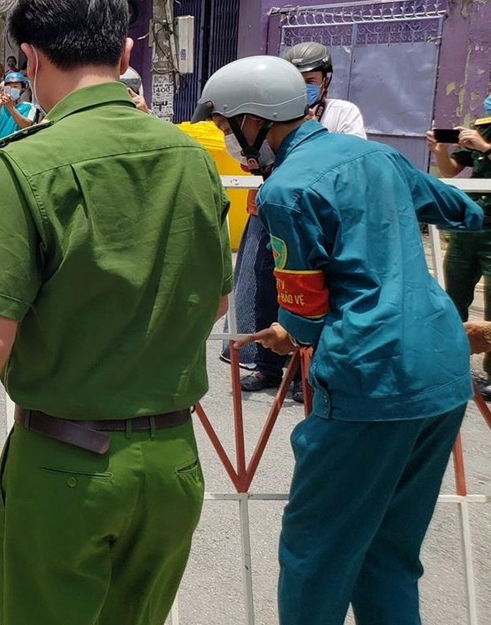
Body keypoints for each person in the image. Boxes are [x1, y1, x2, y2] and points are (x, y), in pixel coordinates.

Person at [0, 0, 231, 625]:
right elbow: (215, 300)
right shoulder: (192, 158)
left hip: (67, 468)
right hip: (172, 464)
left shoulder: (25, 165)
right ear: (125, 53)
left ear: (31, 56)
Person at [198, 55, 481, 625]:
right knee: (389, 556)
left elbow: (303, 317)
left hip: (368, 379)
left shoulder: (286, 191)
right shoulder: (378, 156)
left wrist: (287, 332)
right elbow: (466, 210)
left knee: (316, 557)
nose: (228, 139)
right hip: (444, 374)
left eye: (229, 125)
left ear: (256, 121)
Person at [227, 42, 368, 401]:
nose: (304, 85)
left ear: (325, 80)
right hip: (270, 211)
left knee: (314, 294)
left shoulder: (341, 112)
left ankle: (307, 372)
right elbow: (250, 151)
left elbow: (343, 154)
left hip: (318, 218)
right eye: (296, 79)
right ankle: (267, 364)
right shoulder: (270, 111)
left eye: (310, 79)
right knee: (265, 287)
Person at [431, 92, 491, 398]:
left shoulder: (484, 138)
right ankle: (448, 362)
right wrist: (440, 150)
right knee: (453, 296)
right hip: (469, 227)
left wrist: (484, 148)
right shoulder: (482, 126)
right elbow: (451, 170)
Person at [282, 41, 367, 137]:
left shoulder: (343, 113)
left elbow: (353, 150)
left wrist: (317, 133)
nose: (302, 87)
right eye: (297, 81)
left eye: (310, 81)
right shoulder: (278, 113)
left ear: (325, 82)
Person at [0, 72, 38, 141]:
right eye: (9, 87)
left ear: (22, 89)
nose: (12, 89)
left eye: (15, 87)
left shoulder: (28, 107)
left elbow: (26, 125)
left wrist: (11, 108)